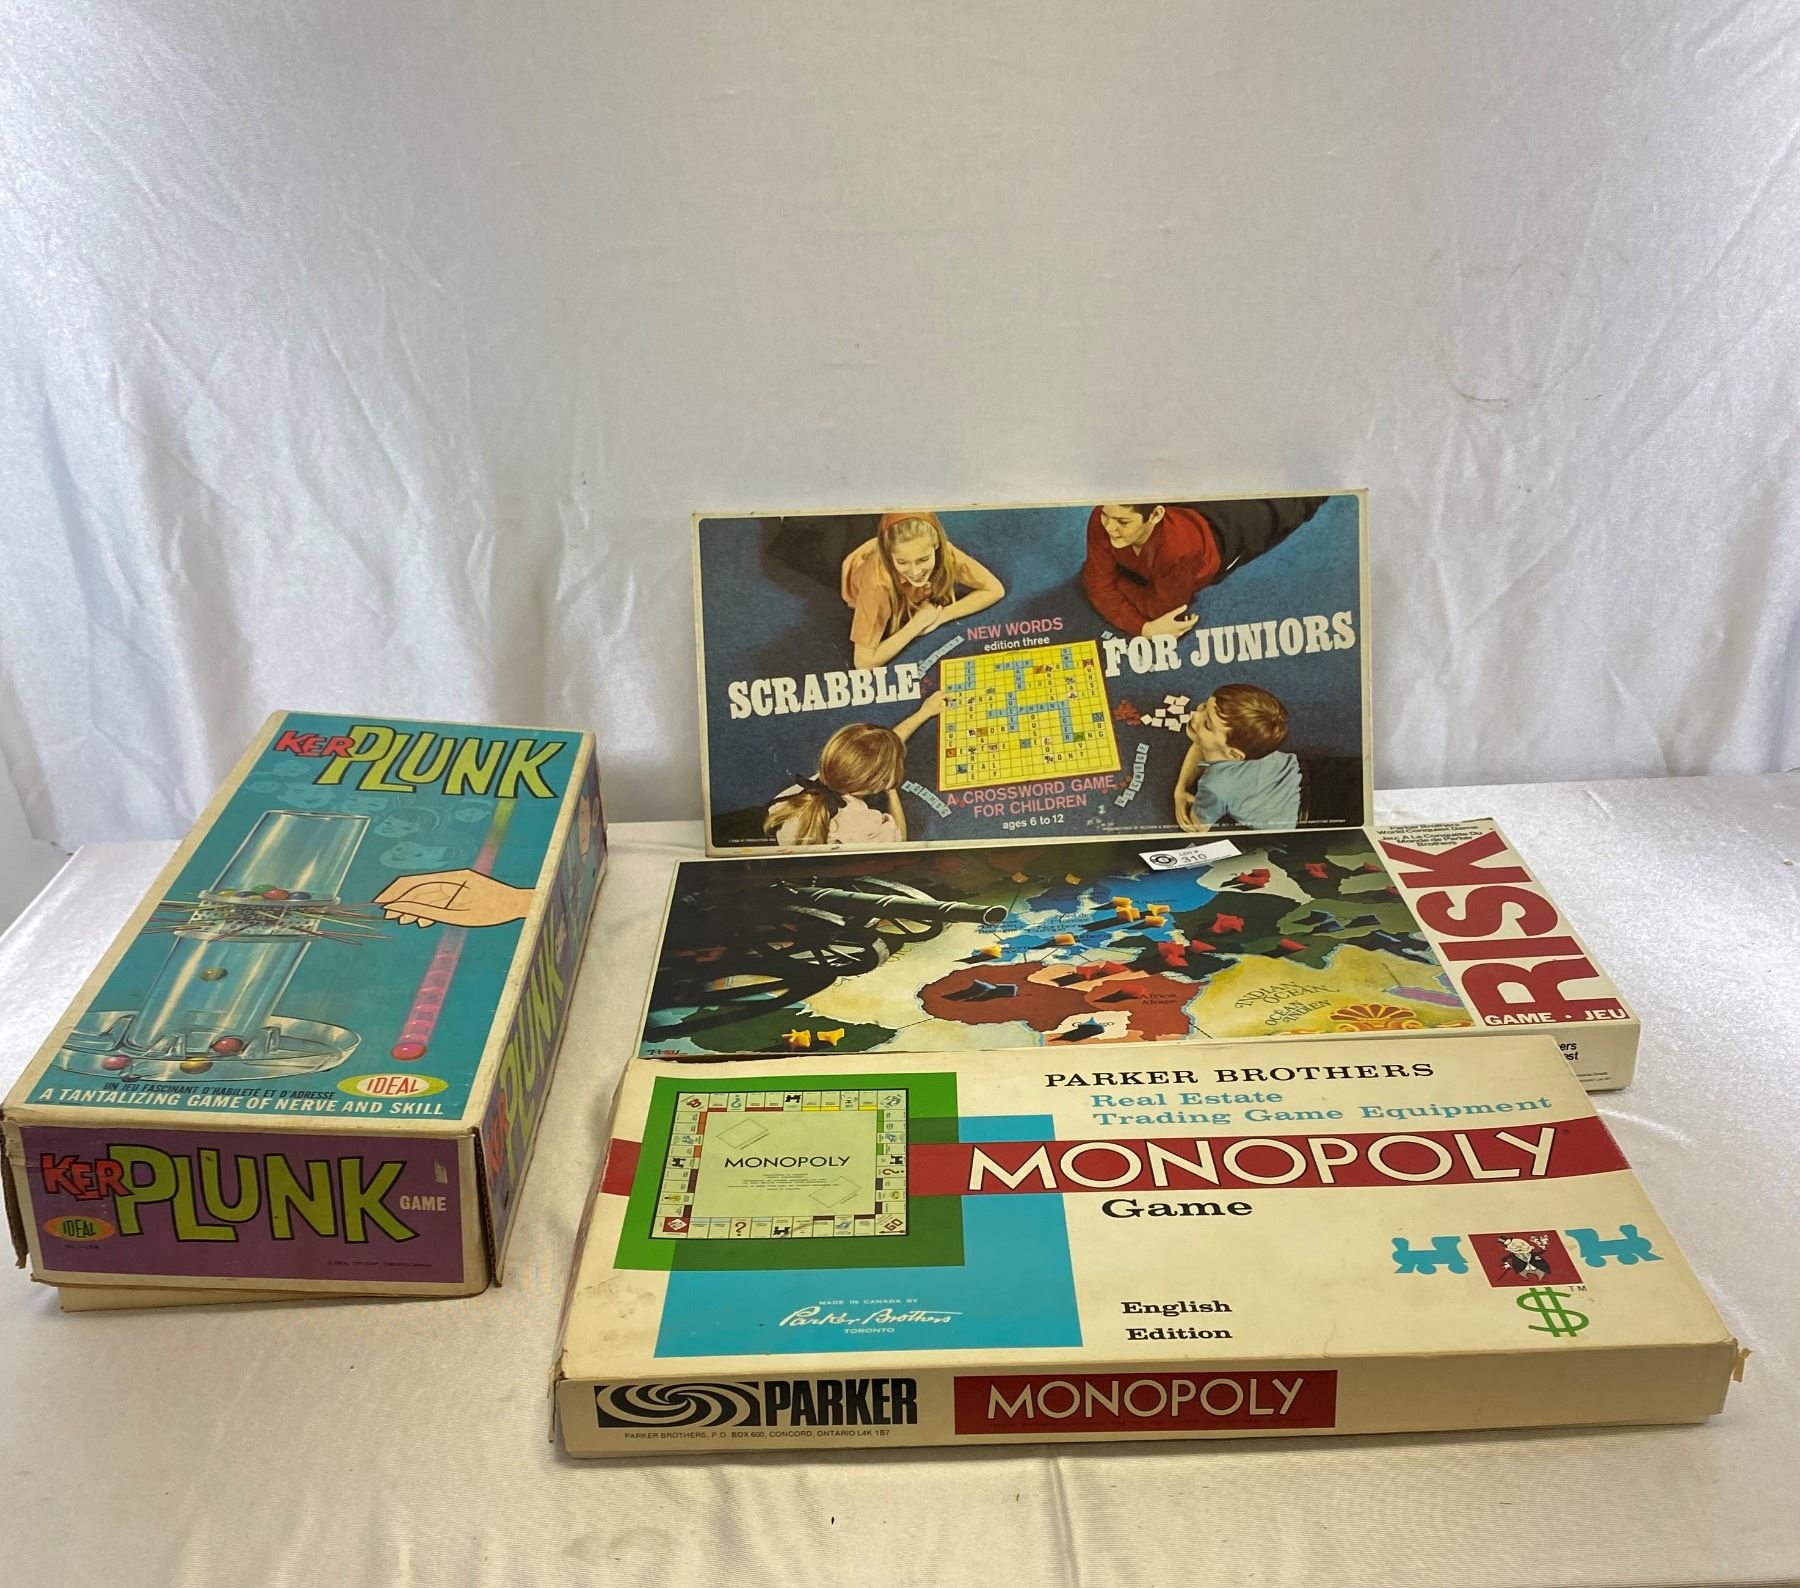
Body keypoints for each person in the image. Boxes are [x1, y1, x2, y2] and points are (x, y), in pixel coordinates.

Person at [1082, 496, 1328, 638]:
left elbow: (1159, 609)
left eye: (1122, 522)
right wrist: (1144, 628)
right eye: (1105, 515)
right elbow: (1096, 583)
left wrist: (1116, 582)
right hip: (1194, 509)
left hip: (1228, 540)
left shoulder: (1177, 552)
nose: (1109, 528)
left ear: (1155, 516)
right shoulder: (1102, 519)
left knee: (1292, 506)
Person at [766, 692, 944, 847]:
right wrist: (891, 791)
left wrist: (923, 713)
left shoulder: (807, 787)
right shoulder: (864, 823)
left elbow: (874, 753)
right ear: (880, 783)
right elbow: (899, 840)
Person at [841, 513, 1005, 669]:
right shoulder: (877, 585)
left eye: (923, 559)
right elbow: (863, 662)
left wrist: (940, 616)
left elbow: (995, 589)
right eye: (902, 562)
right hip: (852, 565)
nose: (916, 572)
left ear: (936, 545)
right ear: (889, 556)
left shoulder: (943, 552)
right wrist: (916, 624)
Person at [1173, 683, 1301, 832]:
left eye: (1207, 724)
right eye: (1204, 707)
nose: (1195, 715)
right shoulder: (1255, 745)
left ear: (1234, 754)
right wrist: (1180, 789)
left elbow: (1197, 826)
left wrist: (1181, 799)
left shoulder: (1214, 786)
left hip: (1294, 825)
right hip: (1303, 777)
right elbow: (1201, 744)